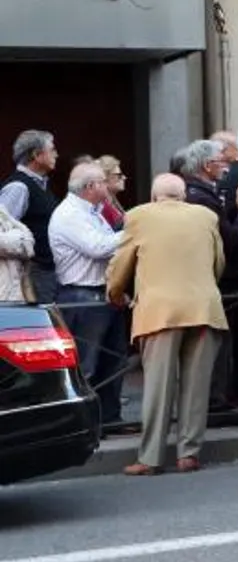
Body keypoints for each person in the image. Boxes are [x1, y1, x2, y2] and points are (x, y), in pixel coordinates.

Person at [106, 174, 226, 476]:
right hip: (204, 307)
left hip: (158, 311)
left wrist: (115, 293)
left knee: (159, 387)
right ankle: (189, 453)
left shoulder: (138, 216)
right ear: (183, 195)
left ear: (153, 195)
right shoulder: (206, 215)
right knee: (196, 386)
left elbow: (121, 264)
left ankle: (150, 457)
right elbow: (218, 262)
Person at [50, 162, 129, 433]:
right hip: (83, 296)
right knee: (88, 364)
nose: (108, 186)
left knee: (113, 360)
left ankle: (109, 418)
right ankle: (84, 425)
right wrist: (134, 232)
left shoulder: (90, 211)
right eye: (103, 182)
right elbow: (98, 247)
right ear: (90, 187)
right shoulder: (70, 214)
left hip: (102, 293)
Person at [3, 129, 59, 303]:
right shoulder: (18, 187)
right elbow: (3, 230)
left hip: (47, 273)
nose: (56, 155)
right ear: (36, 155)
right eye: (52, 150)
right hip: (34, 274)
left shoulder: (40, 185)